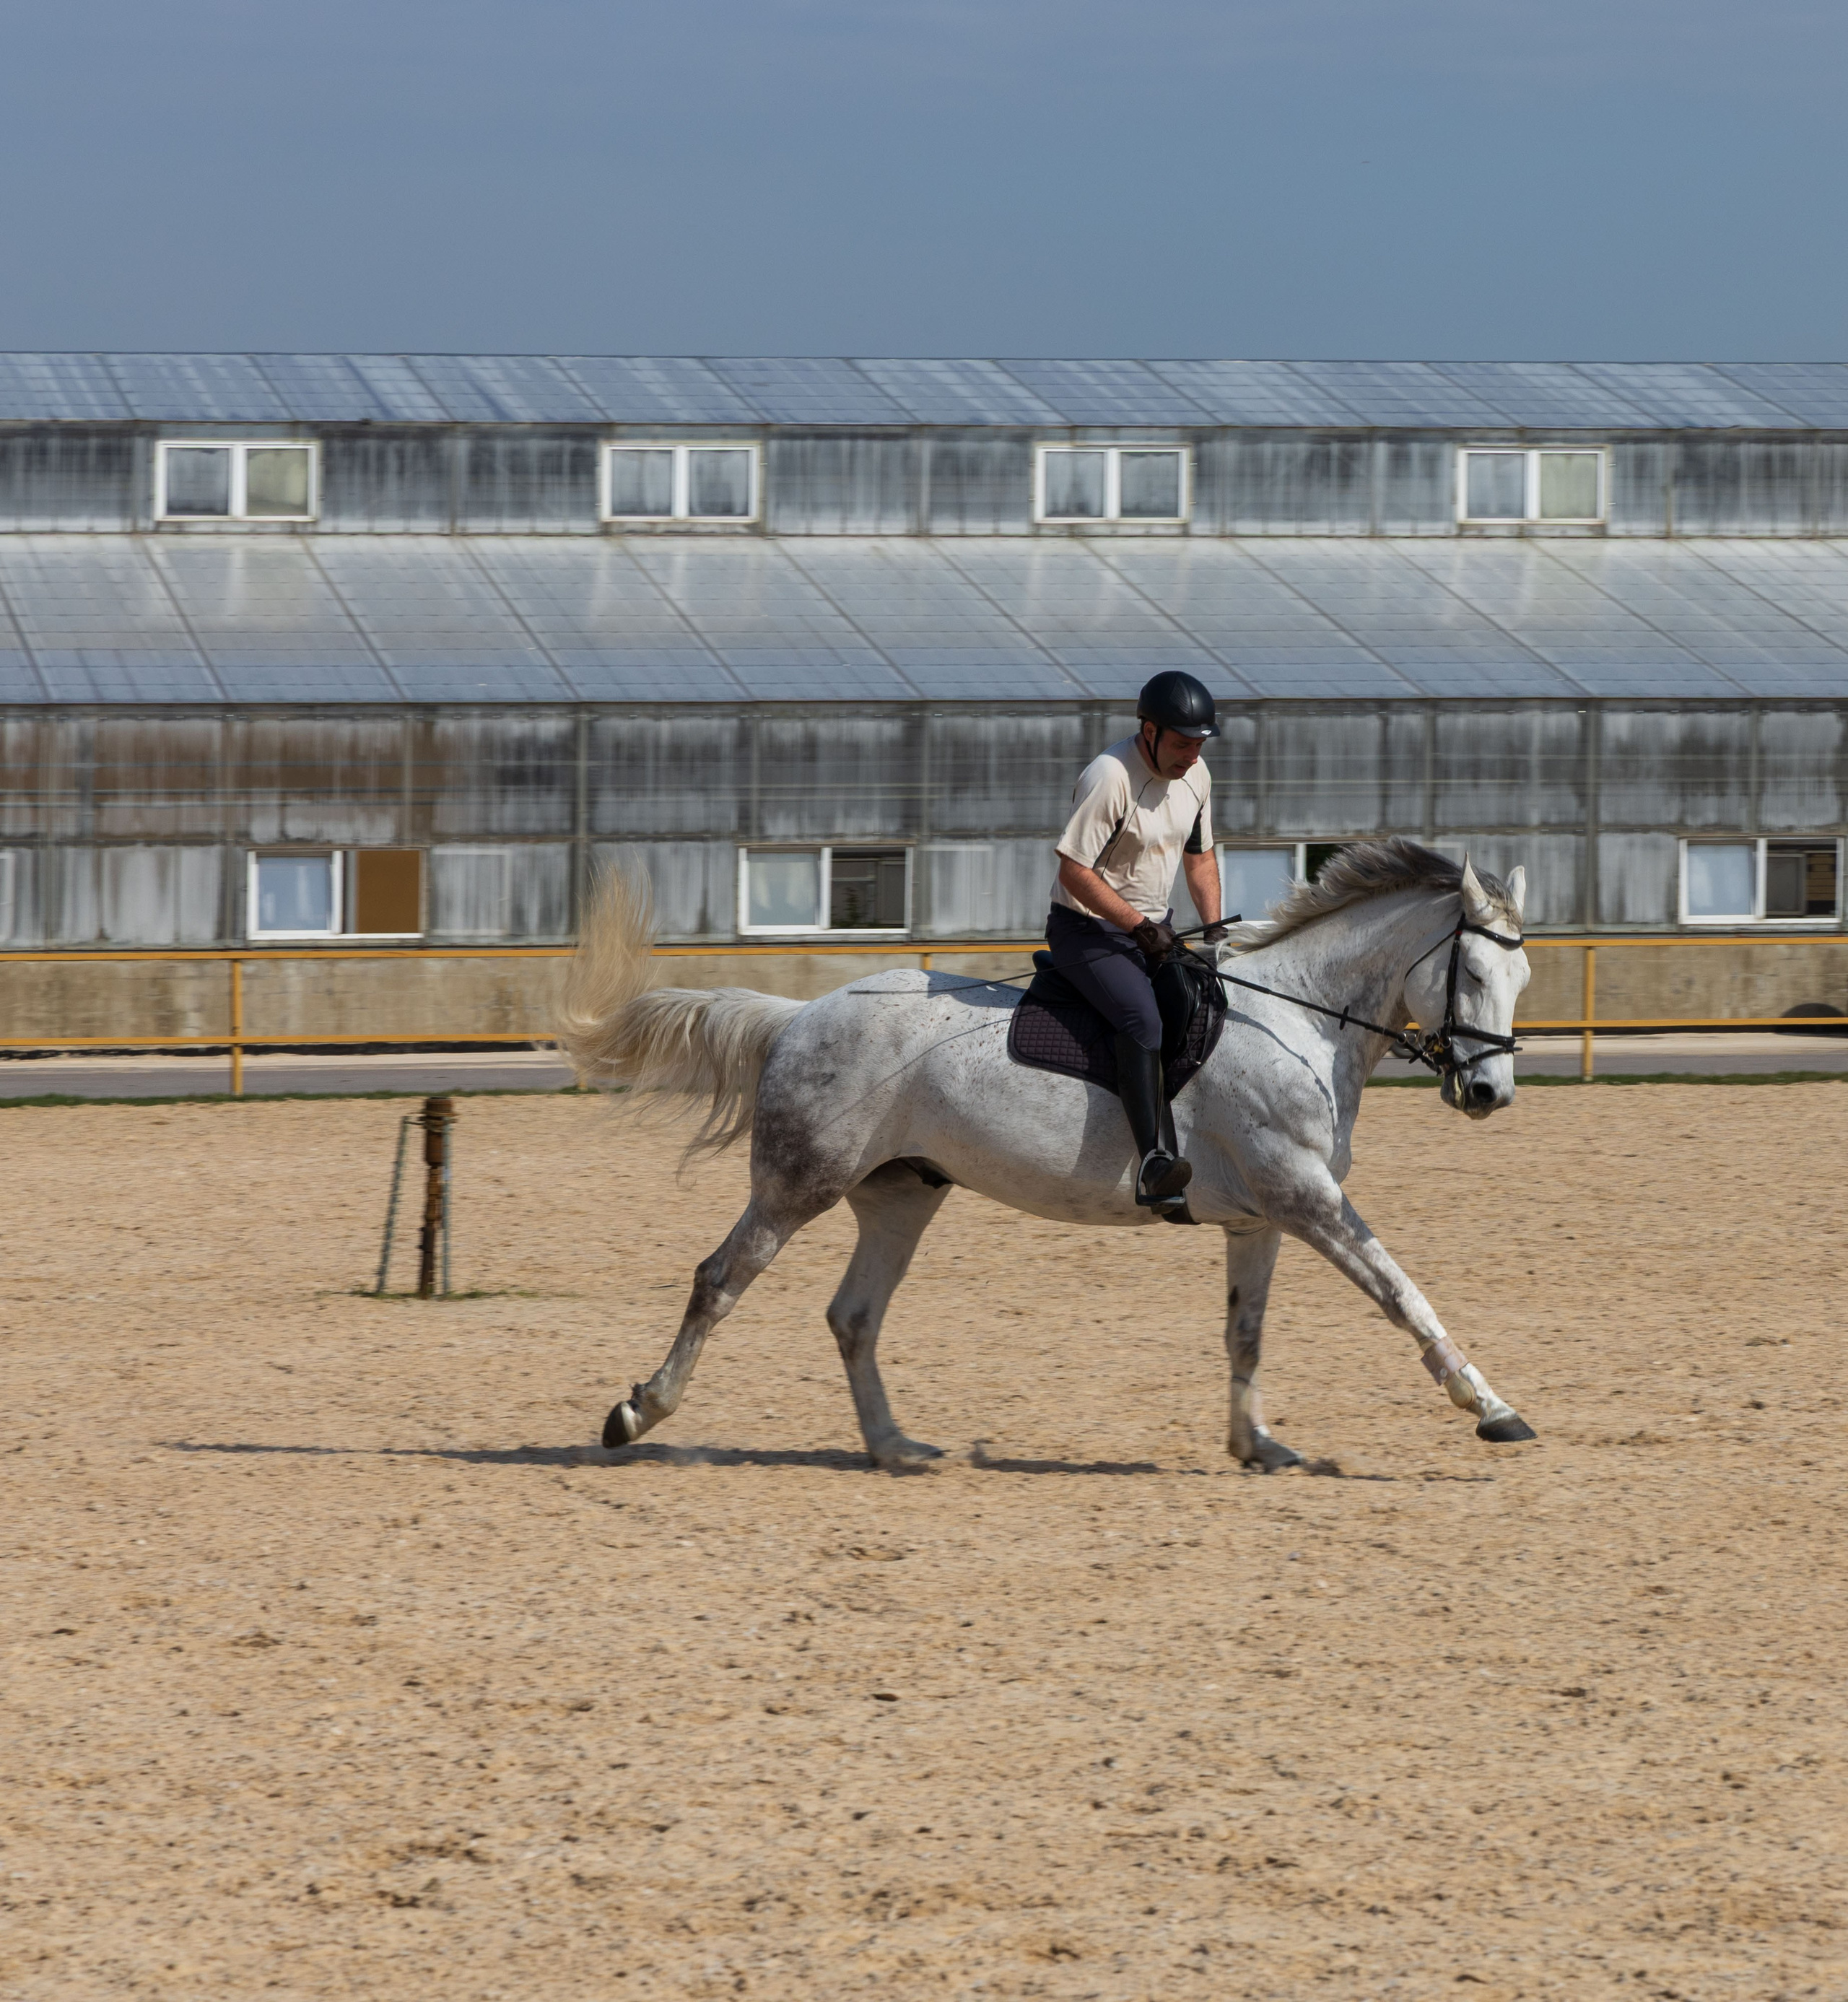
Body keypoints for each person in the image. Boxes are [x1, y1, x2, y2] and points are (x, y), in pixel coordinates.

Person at [1047, 670, 1226, 1209]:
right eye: (1180, 743)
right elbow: (1075, 870)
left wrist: (1214, 933)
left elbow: (1200, 857)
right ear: (1147, 730)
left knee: (1201, 1005)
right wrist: (1139, 927)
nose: (1190, 755)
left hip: (1155, 930)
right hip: (1087, 930)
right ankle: (1153, 1162)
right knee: (1141, 1018)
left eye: (1198, 744)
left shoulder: (1198, 778)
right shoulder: (1110, 776)